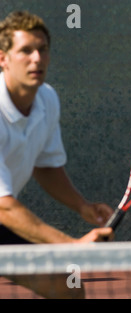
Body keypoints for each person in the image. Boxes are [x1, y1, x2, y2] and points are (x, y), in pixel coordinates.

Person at [0, 11, 114, 298]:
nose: (36, 59)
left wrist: (81, 206)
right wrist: (70, 245)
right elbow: (4, 207)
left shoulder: (47, 99)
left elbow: (46, 166)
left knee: (68, 287)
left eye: (42, 50)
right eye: (25, 51)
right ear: (3, 59)